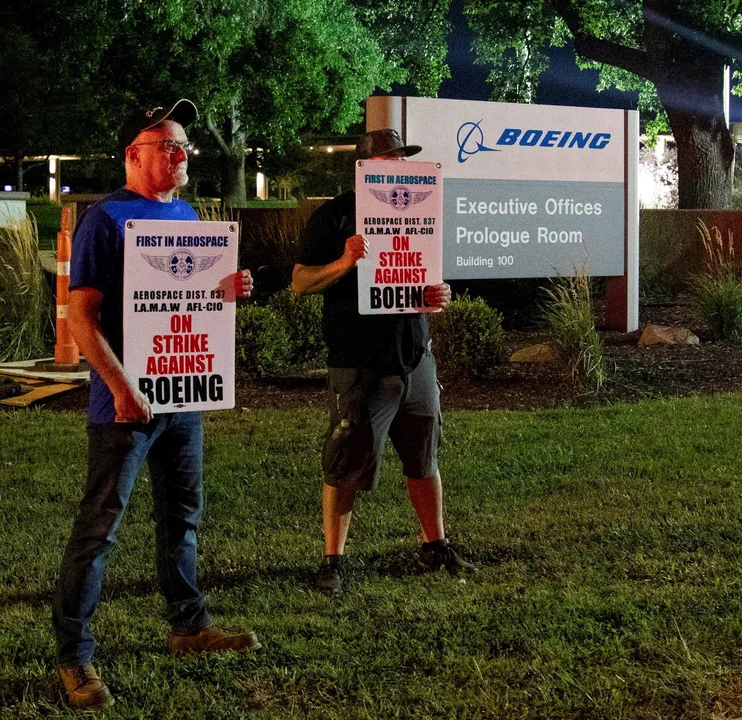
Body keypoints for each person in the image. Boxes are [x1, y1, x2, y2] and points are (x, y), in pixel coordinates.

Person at [52, 99, 259, 711]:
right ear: (132, 155)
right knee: (99, 531)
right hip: (125, 406)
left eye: (183, 145)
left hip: (183, 396)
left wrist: (226, 290)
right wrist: (120, 387)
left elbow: (189, 298)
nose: (180, 153)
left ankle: (189, 627)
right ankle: (76, 659)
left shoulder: (191, 214)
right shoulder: (106, 220)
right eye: (166, 144)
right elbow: (80, 319)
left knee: (182, 519)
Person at [292, 128, 474, 596]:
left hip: (415, 358)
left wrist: (439, 294)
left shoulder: (416, 211)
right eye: (391, 159)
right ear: (366, 167)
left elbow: (426, 279)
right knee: (345, 461)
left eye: (403, 158)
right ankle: (332, 559)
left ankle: (435, 544)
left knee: (423, 457)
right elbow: (300, 283)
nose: (400, 166)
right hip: (359, 361)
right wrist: (344, 263)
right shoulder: (333, 217)